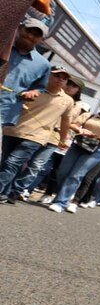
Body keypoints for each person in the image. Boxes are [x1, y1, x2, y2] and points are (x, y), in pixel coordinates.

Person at [0, 65, 73, 204]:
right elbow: (9, 99)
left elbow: (65, 121)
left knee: (12, 162)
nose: (60, 80)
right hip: (12, 129)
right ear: (47, 75)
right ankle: (6, 193)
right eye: (56, 75)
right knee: (6, 163)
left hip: (37, 137)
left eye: (64, 78)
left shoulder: (68, 101)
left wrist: (64, 139)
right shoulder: (33, 88)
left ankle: (11, 191)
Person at [48, 97, 100, 213]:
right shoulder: (88, 116)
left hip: (96, 150)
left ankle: (60, 202)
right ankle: (64, 195)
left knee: (76, 175)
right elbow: (72, 124)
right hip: (78, 145)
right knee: (62, 172)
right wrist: (80, 130)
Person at [0, 18, 50, 130]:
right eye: (28, 31)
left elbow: (39, 88)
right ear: (20, 28)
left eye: (36, 35)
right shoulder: (2, 45)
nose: (30, 36)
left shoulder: (43, 65)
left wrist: (32, 93)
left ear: (42, 39)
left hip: (4, 110)